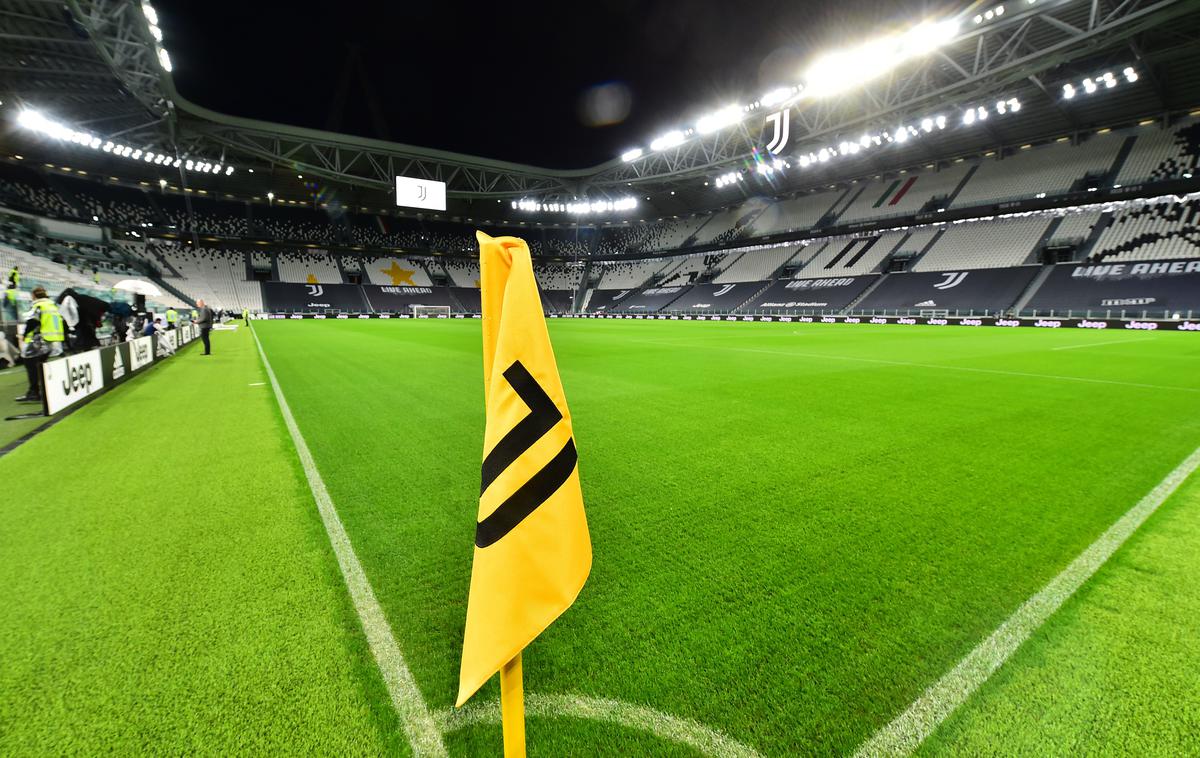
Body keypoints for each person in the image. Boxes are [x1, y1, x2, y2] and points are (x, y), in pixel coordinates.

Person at [16, 286, 64, 403]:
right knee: (41, 365)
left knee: (30, 364)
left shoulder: (38, 305)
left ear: (34, 295)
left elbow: (33, 321)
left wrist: (24, 335)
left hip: (39, 339)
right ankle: (44, 391)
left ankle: (34, 392)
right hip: (51, 340)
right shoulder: (52, 305)